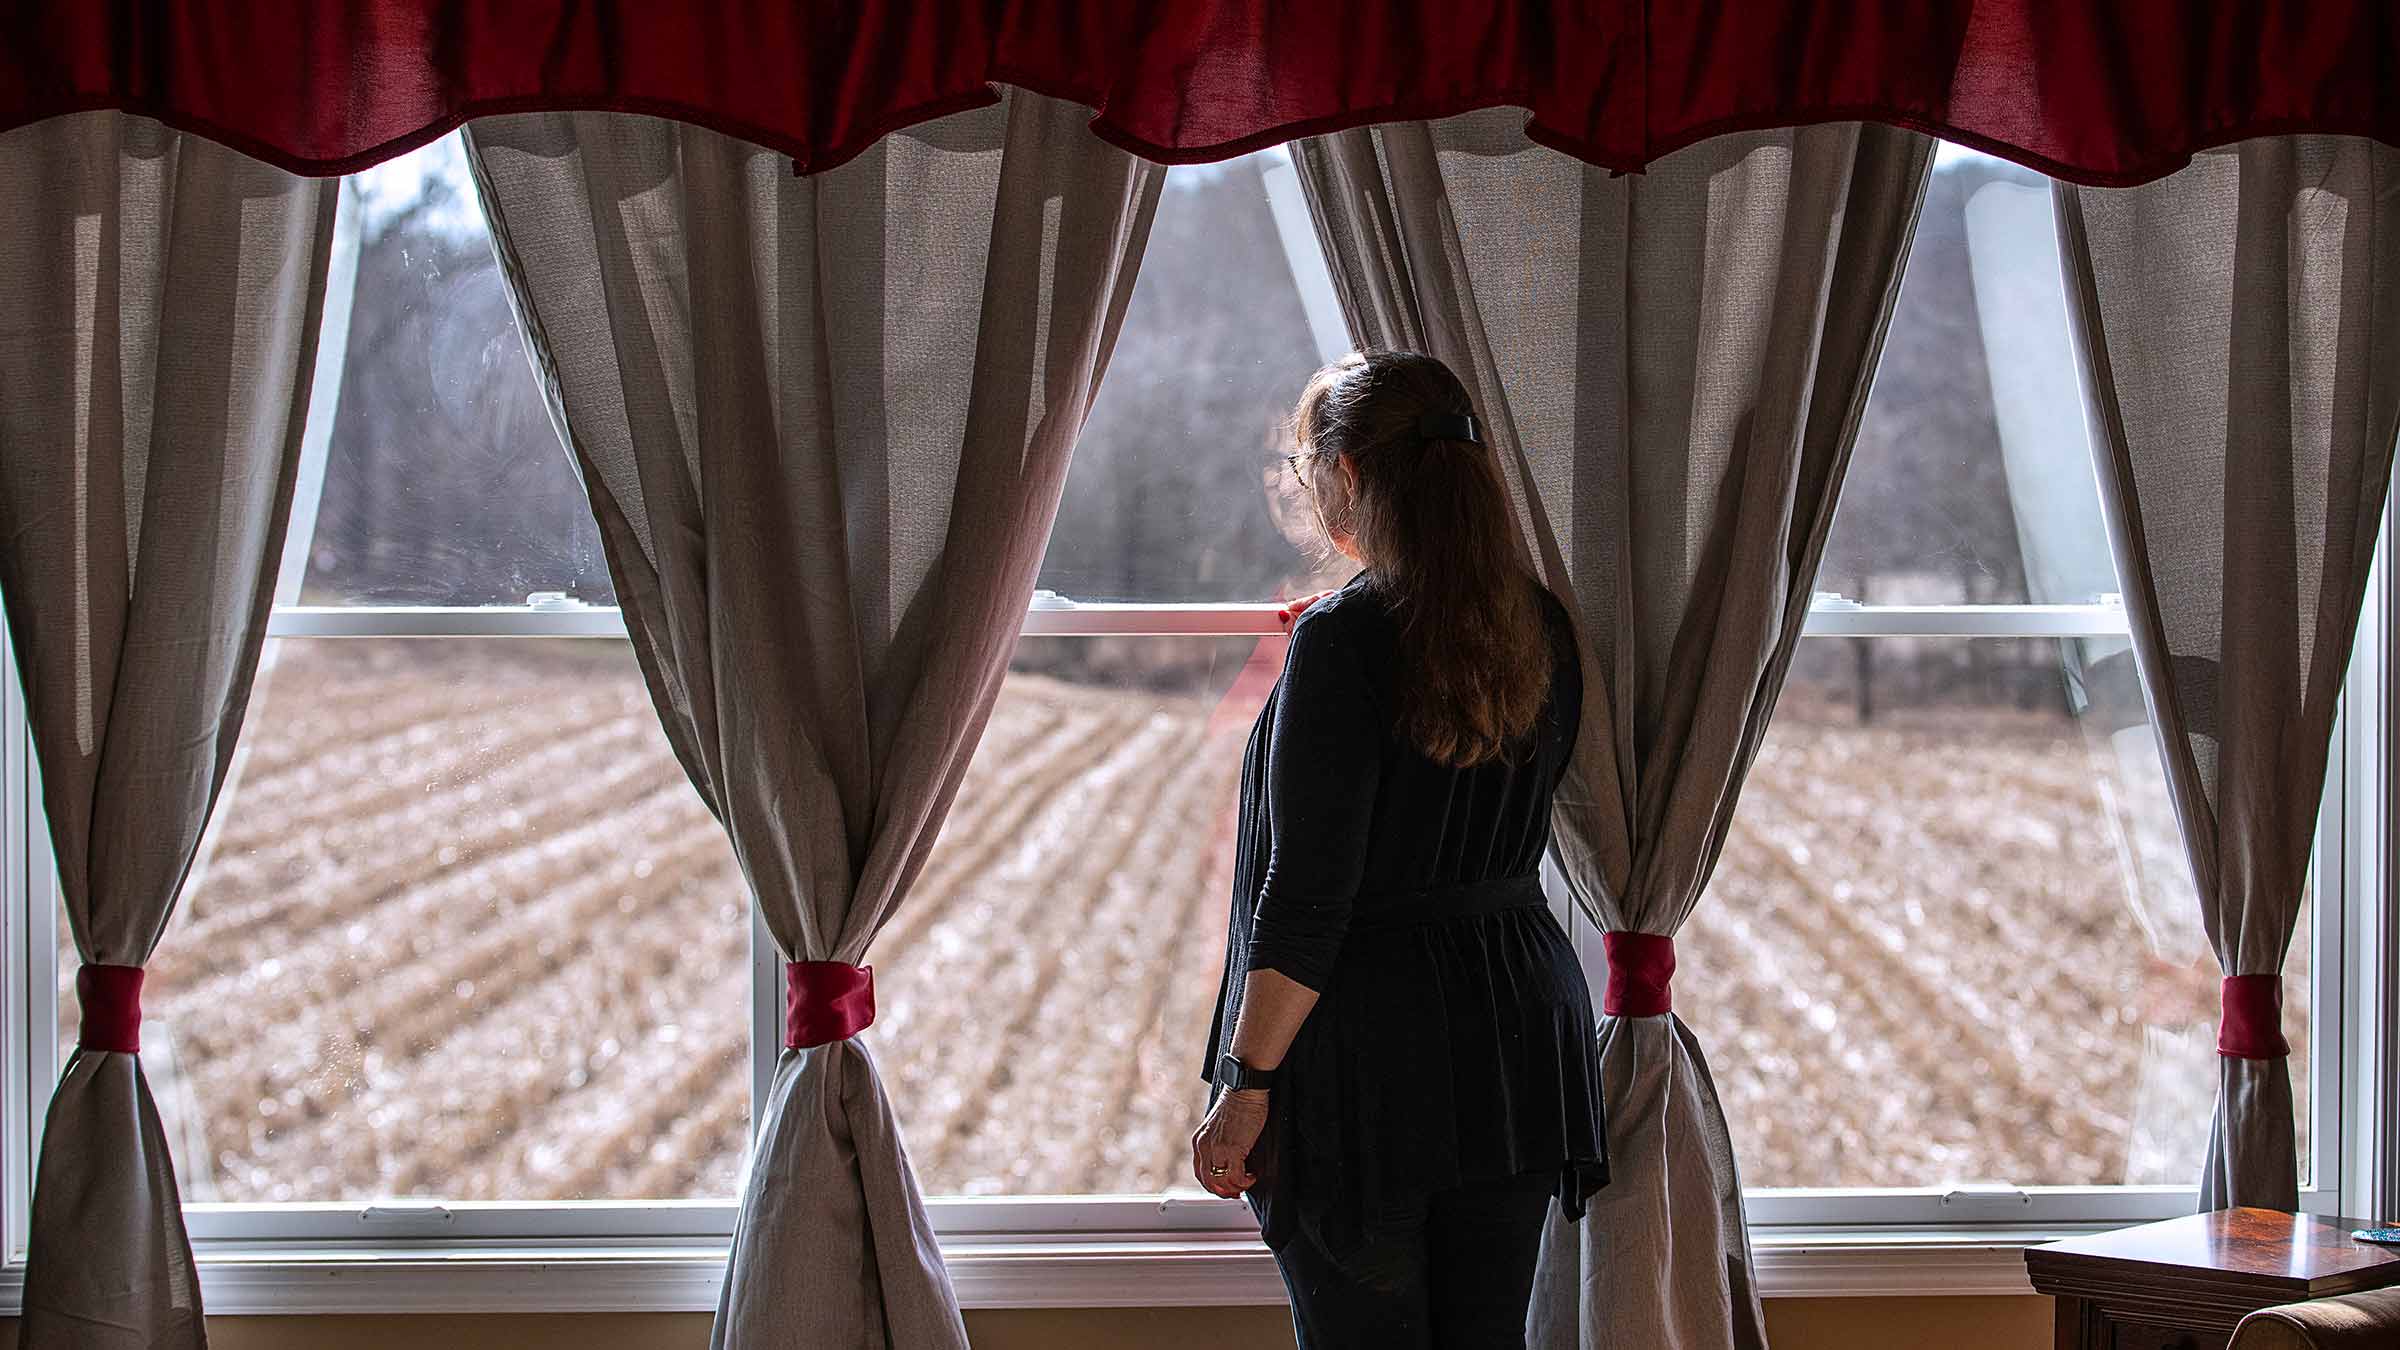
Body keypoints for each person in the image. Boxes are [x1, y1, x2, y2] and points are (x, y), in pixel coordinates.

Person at [1194, 349, 1609, 1349]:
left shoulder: (1345, 639)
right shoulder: (1542, 626)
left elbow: (1306, 899)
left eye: (1305, 469)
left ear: (1347, 476)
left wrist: (1244, 1088)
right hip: (1518, 1036)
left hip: (1369, 1057)